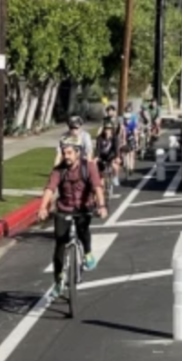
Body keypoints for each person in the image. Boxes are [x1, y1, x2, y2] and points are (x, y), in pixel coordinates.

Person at [38, 136, 107, 298]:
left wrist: (101, 206)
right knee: (60, 244)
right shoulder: (59, 170)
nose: (66, 156)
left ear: (78, 153)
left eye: (69, 152)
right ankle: (58, 280)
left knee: (83, 231)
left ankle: (88, 252)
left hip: (84, 208)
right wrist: (43, 207)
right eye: (64, 153)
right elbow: (50, 189)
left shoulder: (89, 167)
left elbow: (97, 187)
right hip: (64, 208)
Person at [94, 119, 121, 193]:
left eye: (109, 129)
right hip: (102, 156)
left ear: (112, 130)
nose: (107, 131)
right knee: (100, 172)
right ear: (103, 129)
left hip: (111, 155)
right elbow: (97, 149)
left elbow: (116, 148)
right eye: (106, 129)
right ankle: (102, 189)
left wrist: (117, 157)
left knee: (115, 166)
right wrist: (96, 157)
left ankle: (115, 177)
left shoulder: (114, 137)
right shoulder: (100, 138)